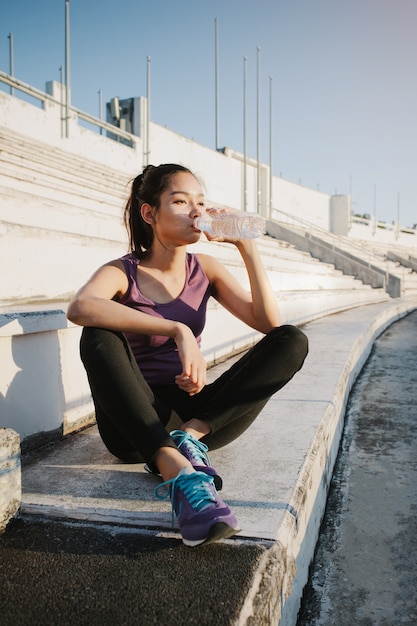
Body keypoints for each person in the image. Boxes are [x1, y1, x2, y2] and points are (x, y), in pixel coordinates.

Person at [67, 163, 308, 547]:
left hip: (199, 418)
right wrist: (176, 330)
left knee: (292, 339)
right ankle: (175, 469)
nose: (196, 211)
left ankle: (187, 442)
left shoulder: (205, 268)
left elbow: (269, 323)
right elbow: (80, 307)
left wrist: (247, 248)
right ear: (150, 213)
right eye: (180, 201)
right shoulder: (123, 271)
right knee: (96, 334)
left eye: (200, 202)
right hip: (134, 424)